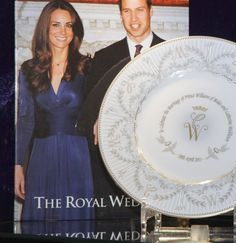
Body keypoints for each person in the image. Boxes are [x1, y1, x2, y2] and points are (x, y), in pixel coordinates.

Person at [76, 0, 164, 218]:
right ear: (121, 15)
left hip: (160, 164)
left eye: (139, 10)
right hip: (115, 173)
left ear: (151, 12)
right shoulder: (103, 58)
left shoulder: (171, 52)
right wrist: (100, 116)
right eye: (127, 11)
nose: (133, 19)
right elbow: (88, 112)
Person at [15, 0, 94, 220]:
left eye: (68, 25)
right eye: (56, 25)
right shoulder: (29, 69)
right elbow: (25, 120)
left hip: (79, 157)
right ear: (45, 29)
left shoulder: (87, 67)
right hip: (42, 157)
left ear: (74, 30)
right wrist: (18, 164)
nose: (63, 31)